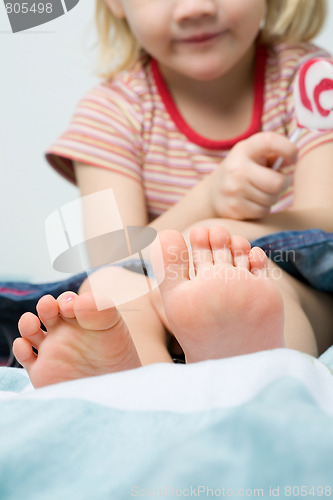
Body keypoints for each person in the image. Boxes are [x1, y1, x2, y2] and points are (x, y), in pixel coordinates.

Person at [13, 0, 333, 387]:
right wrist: (207, 201)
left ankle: (257, 364)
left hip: (286, 279)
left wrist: (226, 228)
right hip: (152, 285)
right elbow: (109, 256)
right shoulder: (113, 111)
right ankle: (132, 379)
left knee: (255, 281)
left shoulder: (312, 80)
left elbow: (326, 223)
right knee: (107, 289)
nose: (194, 8)